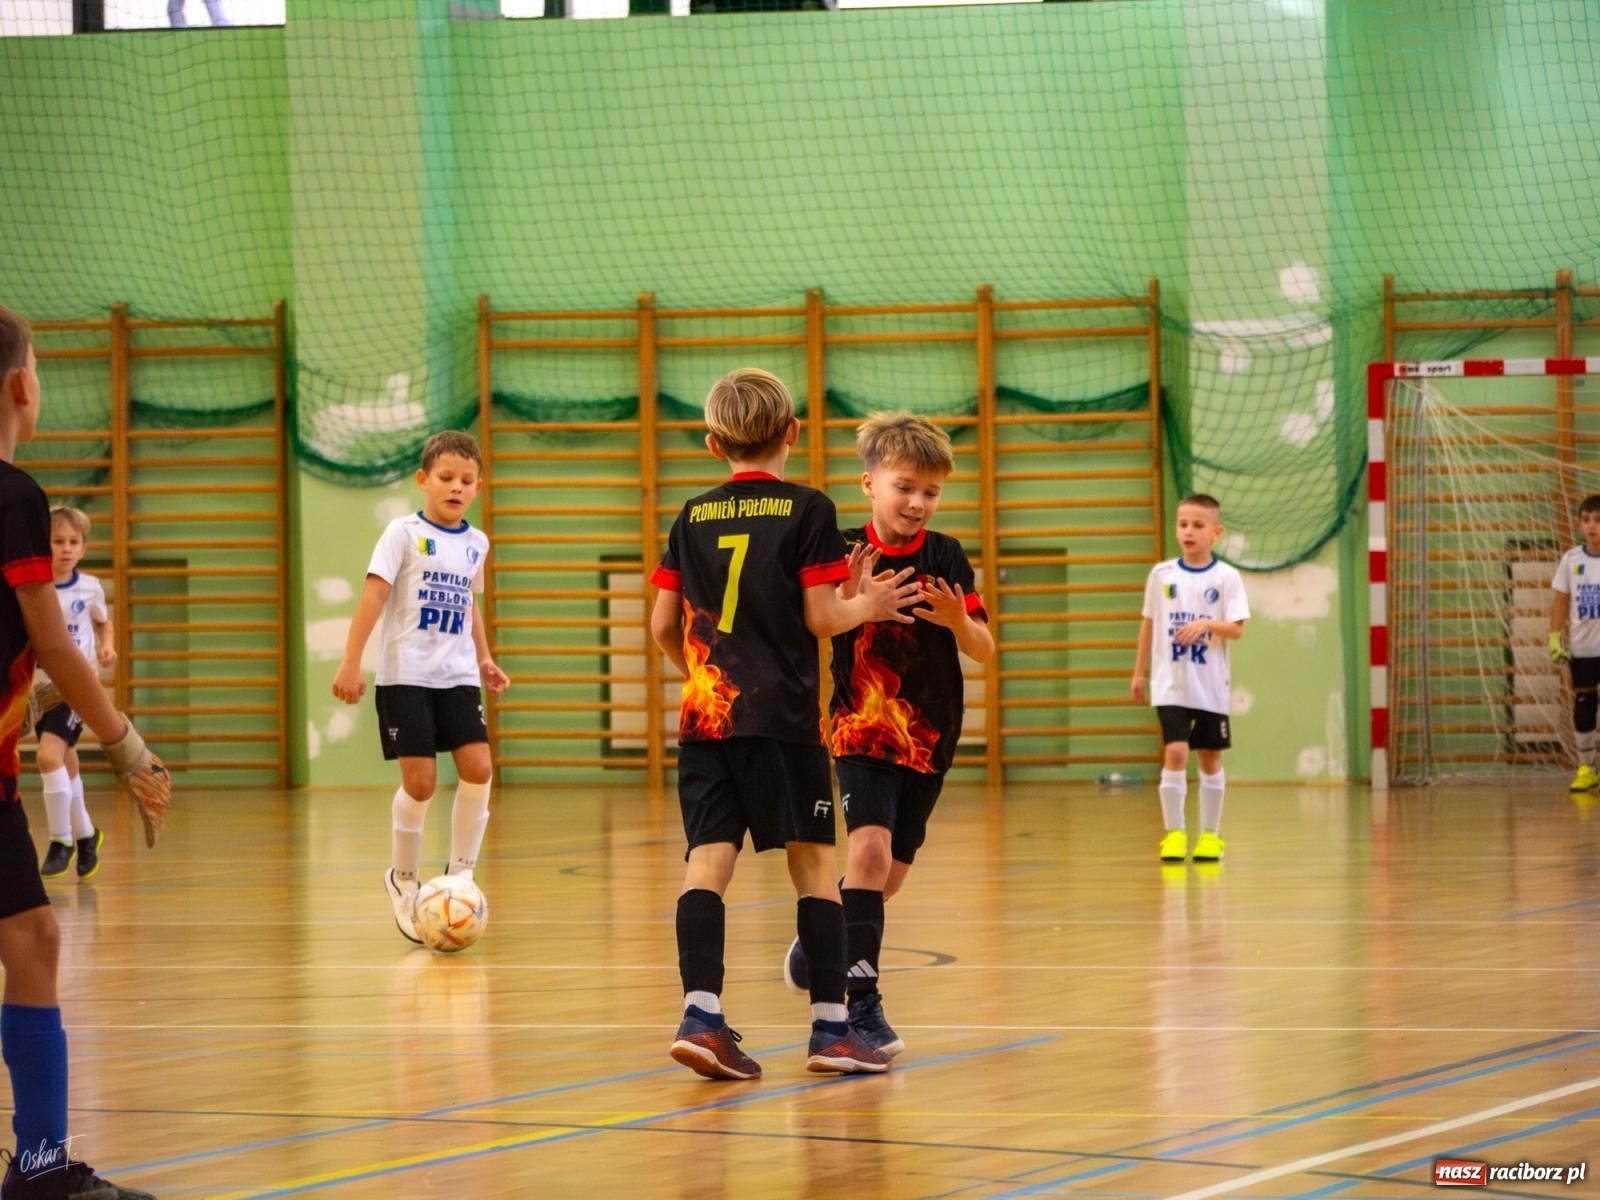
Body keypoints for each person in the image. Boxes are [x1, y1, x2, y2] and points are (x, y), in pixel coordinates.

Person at [648, 367, 922, 1079]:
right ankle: (832, 1030)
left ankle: (701, 1017)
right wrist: (870, 604)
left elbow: (662, 625)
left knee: (707, 863)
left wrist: (702, 677)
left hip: (707, 717)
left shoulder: (691, 515)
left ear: (714, 444)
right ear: (793, 433)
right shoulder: (808, 509)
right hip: (783, 717)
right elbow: (823, 618)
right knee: (814, 867)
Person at [0, 306, 169, 1200]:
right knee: (33, 936)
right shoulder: (14, 497)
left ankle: (39, 1169)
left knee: (34, 934)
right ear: (21, 387)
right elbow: (55, 646)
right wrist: (127, 746)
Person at [780, 412, 992, 1060]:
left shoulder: (945, 556)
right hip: (860, 726)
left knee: (886, 876)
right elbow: (814, 626)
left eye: (931, 492)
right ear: (869, 483)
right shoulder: (843, 552)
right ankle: (860, 1007)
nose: (918, 502)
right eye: (905, 487)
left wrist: (958, 621)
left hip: (929, 737)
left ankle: (822, 937)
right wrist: (850, 598)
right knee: (868, 854)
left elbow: (984, 649)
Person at [331, 431, 510, 945]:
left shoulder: (477, 543)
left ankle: (461, 875)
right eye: (446, 478)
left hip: (457, 675)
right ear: (423, 480)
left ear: (478, 488)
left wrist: (484, 657)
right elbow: (372, 597)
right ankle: (403, 879)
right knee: (422, 784)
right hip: (406, 675)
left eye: (467, 481)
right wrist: (351, 663)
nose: (456, 488)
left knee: (479, 769)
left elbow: (469, 604)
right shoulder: (402, 534)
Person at [1130, 494, 1248, 863]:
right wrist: (1139, 672)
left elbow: (1236, 629)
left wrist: (1206, 624)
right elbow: (1149, 623)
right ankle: (1175, 834)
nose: (1188, 531)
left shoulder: (1226, 577)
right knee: (1177, 751)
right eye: (1183, 524)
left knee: (1210, 757)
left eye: (1198, 525)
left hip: (1210, 685)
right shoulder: (1162, 575)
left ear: (1216, 532)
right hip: (1170, 684)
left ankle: (1210, 836)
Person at [34, 508, 115, 882]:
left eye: (73, 542)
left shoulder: (90, 587)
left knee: (47, 756)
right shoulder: (34, 589)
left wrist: (107, 646)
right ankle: (86, 835)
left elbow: (102, 621)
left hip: (77, 685)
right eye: (58, 541)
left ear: (83, 547)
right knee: (66, 764)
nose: (66, 549)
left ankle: (60, 840)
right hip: (41, 687)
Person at [1547, 493, 1600, 791]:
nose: (1592, 526)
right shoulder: (1571, 560)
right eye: (1587, 519)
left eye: (1598, 520)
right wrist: (1554, 637)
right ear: (1580, 524)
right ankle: (1586, 768)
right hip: (1583, 648)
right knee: (1584, 705)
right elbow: (1560, 601)